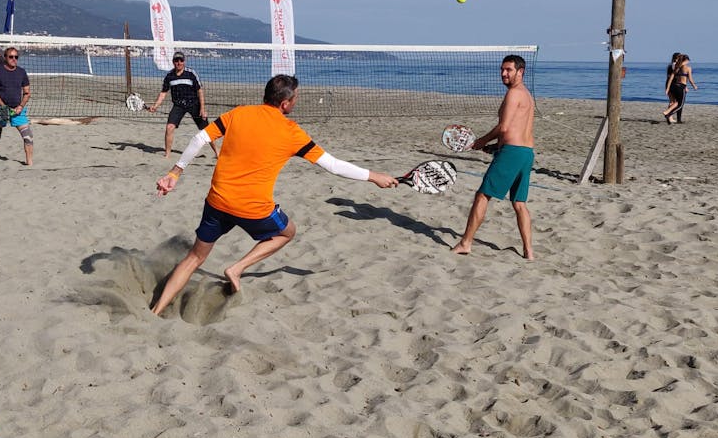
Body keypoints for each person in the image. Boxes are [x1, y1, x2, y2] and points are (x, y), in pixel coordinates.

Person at [150, 74, 398, 315]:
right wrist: (374, 176)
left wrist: (175, 172)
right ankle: (236, 269)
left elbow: (199, 138)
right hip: (253, 208)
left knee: (195, 257)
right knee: (287, 232)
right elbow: (333, 165)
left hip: (218, 201)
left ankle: (157, 309)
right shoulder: (292, 132)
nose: (296, 101)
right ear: (285, 103)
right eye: (295, 97)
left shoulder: (239, 113)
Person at [451, 55, 536, 260]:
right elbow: (514, 129)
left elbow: (504, 127)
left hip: (513, 153)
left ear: (520, 72)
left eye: (508, 70)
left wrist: (481, 141)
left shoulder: (514, 94)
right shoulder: (527, 95)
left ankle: (465, 243)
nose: (503, 73)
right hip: (526, 153)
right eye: (502, 70)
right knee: (519, 203)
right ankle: (529, 251)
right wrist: (495, 147)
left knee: (482, 196)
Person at [148, 51, 218, 159]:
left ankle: (217, 152)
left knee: (206, 130)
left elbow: (200, 91)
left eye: (181, 60)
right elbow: (163, 93)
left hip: (194, 104)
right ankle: (167, 154)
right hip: (178, 105)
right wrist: (156, 105)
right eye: (176, 60)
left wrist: (203, 109)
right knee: (169, 127)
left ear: (184, 61)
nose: (179, 63)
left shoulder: (191, 74)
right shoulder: (170, 76)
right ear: (173, 62)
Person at [0, 47, 33, 167]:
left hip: (18, 109)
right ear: (5, 57)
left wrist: (21, 106)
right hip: (1, 108)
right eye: (11, 57)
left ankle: (30, 164)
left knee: (28, 136)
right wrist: (4, 107)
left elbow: (27, 93)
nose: (14, 59)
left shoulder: (21, 72)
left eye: (16, 57)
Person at [663, 53, 697, 124]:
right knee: (680, 104)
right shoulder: (688, 68)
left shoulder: (677, 67)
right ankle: (668, 114)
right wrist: (694, 86)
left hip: (675, 86)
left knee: (677, 103)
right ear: (686, 60)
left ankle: (678, 120)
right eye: (688, 61)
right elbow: (690, 79)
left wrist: (668, 88)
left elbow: (671, 77)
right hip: (681, 87)